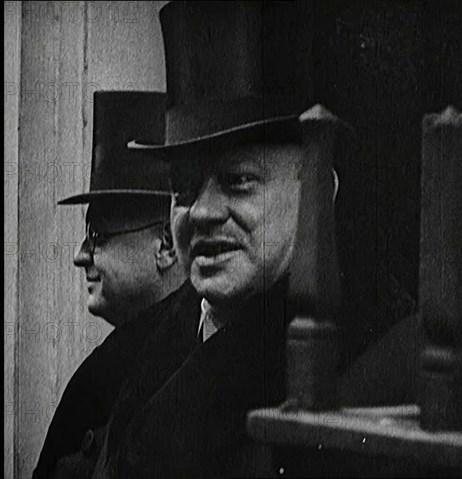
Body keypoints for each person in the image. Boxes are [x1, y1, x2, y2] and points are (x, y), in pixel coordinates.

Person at [89, 2, 353, 477]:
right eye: (183, 189)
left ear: (318, 192)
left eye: (238, 181)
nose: (203, 212)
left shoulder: (379, 371)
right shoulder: (132, 356)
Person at [33, 91, 187, 479]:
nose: (80, 255)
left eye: (97, 235)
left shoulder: (117, 371)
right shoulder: (123, 360)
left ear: (166, 244)